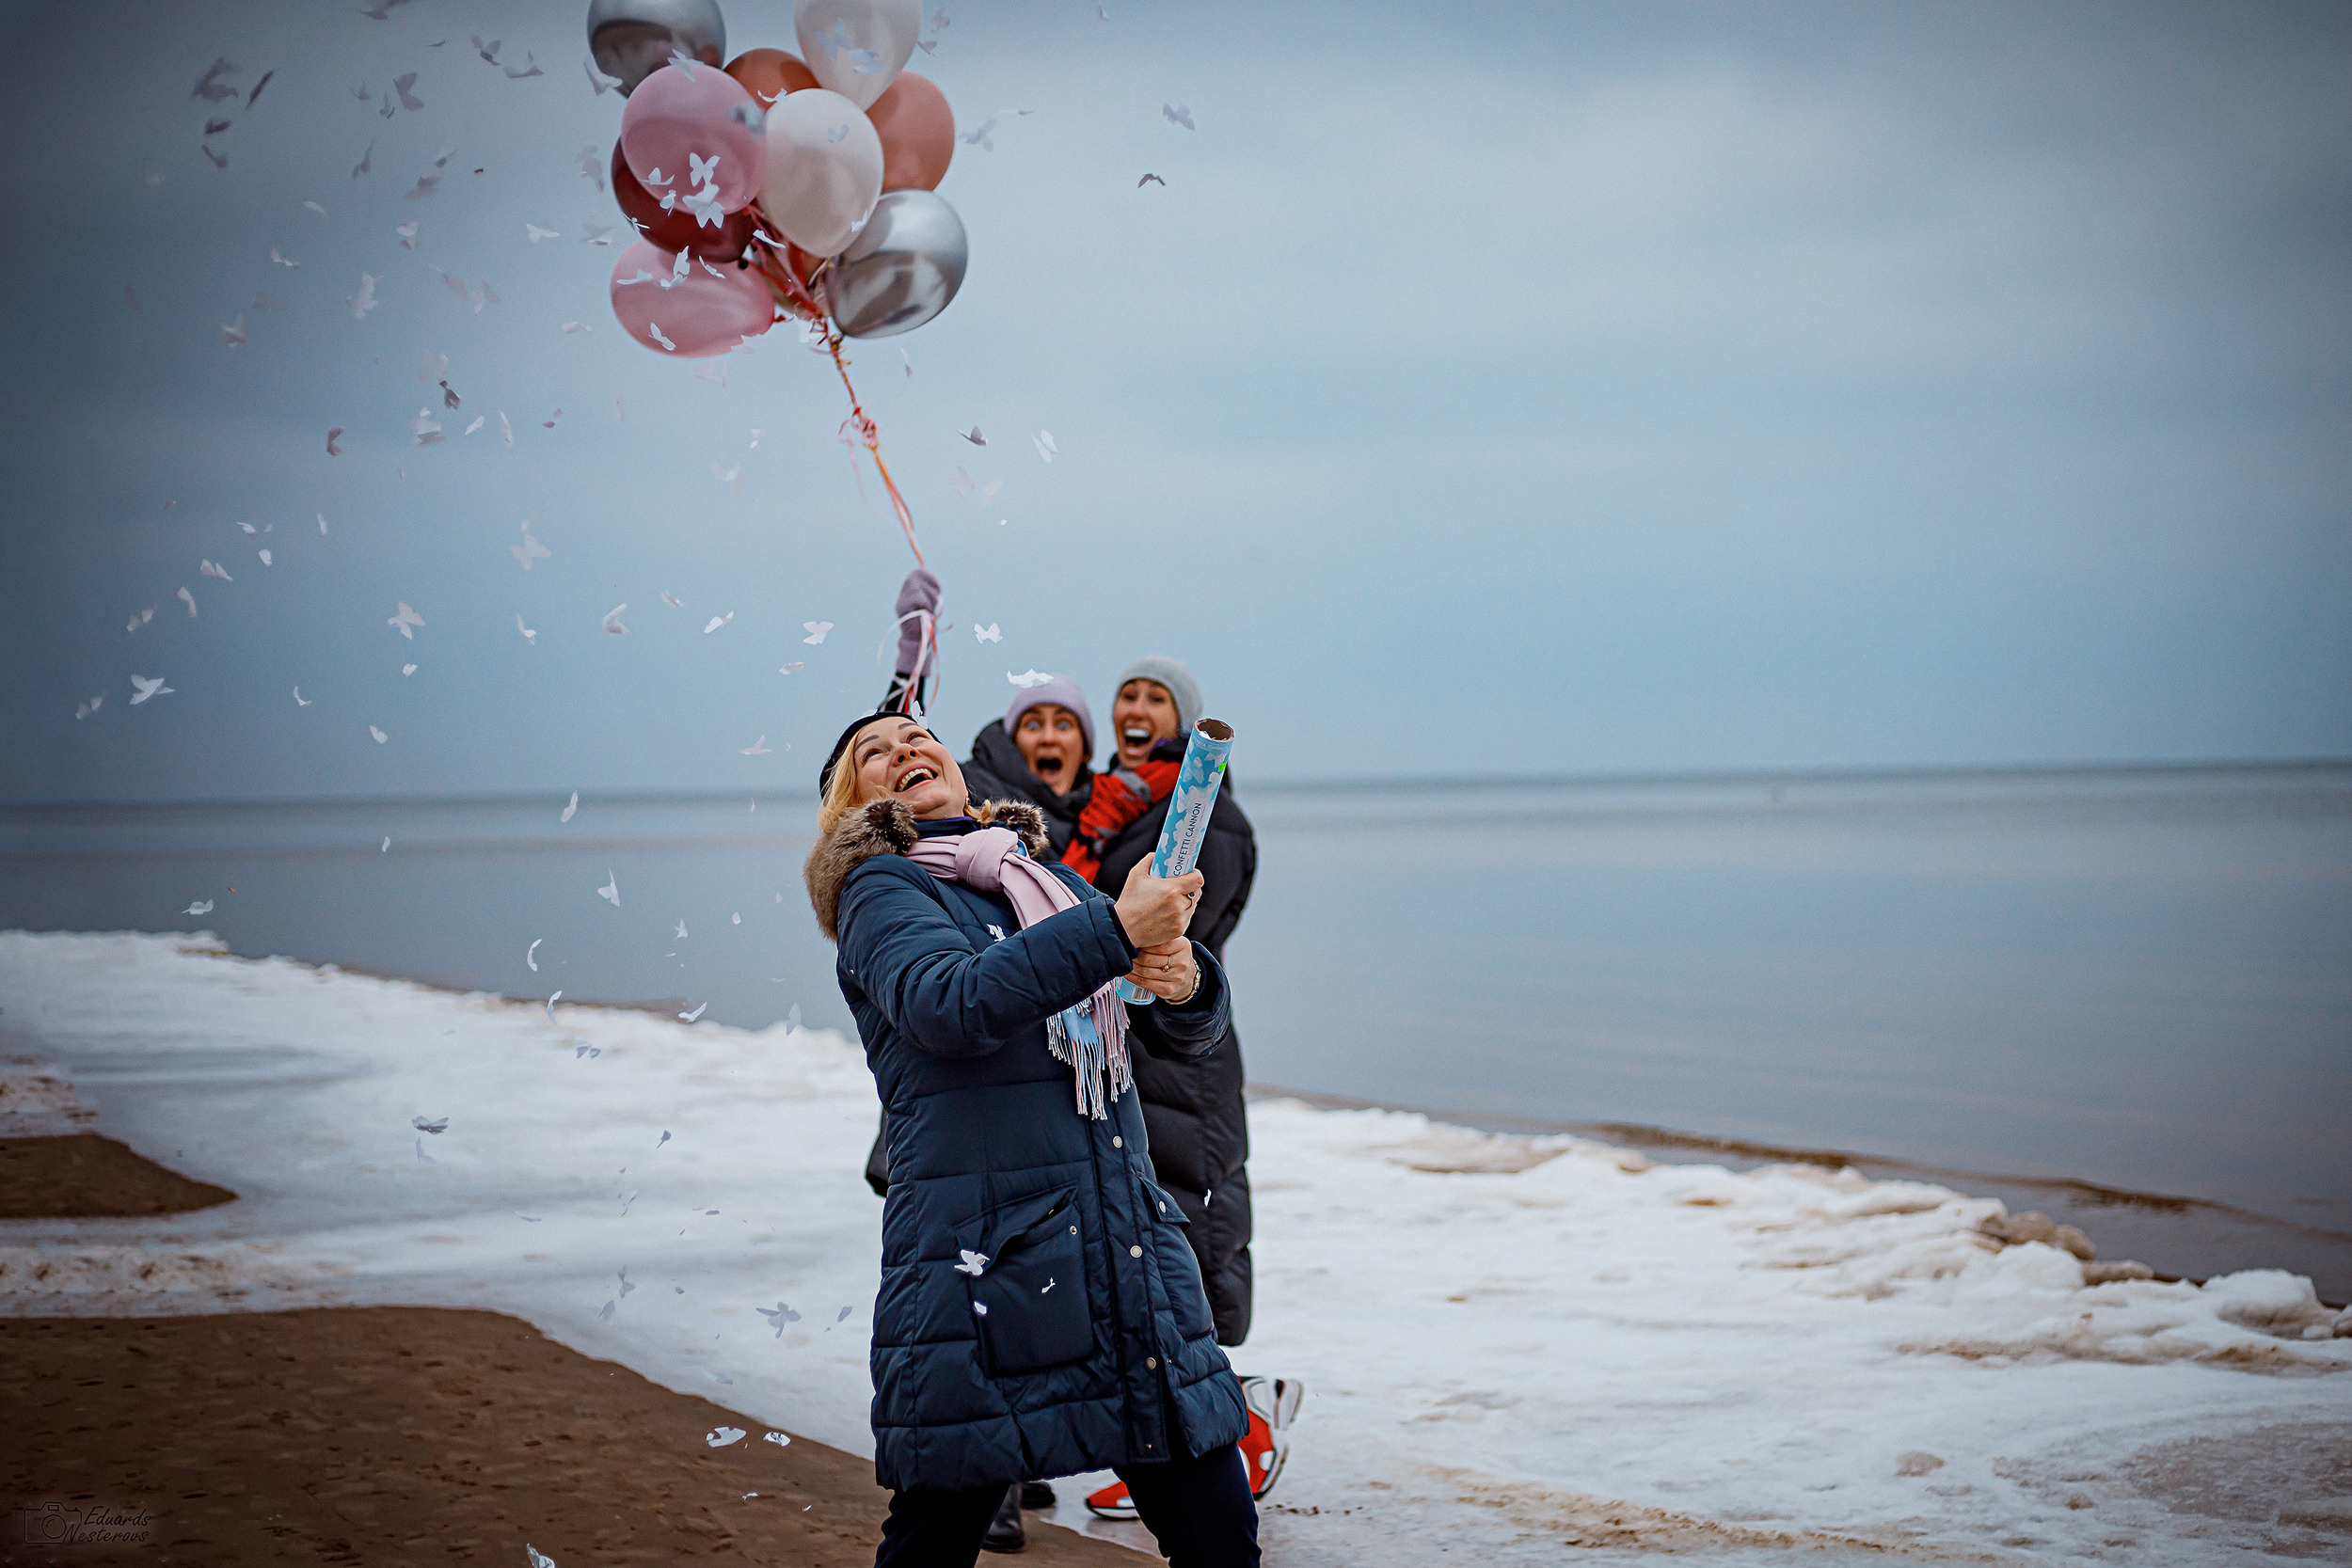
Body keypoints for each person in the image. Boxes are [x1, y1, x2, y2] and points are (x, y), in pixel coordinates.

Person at [807, 707, 1261, 1568]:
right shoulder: (881, 890)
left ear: (955, 768)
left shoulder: (1040, 879)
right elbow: (949, 1003)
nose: (905, 748)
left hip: (1123, 1248)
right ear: (853, 803)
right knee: (937, 1534)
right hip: (990, 1262)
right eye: (875, 751)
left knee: (1220, 1532)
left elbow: (1177, 1035)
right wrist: (1115, 932)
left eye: (917, 737)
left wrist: (1187, 980)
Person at [1081, 658, 1297, 1518]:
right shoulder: (1110, 810)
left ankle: (1246, 1425)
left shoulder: (1214, 819)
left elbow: (1169, 945)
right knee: (1140, 1259)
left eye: (1155, 698)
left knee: (1190, 1249)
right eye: (1127, 695)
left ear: (1184, 718)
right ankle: (1177, 1448)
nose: (1136, 708)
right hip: (1125, 1061)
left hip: (1183, 1062)